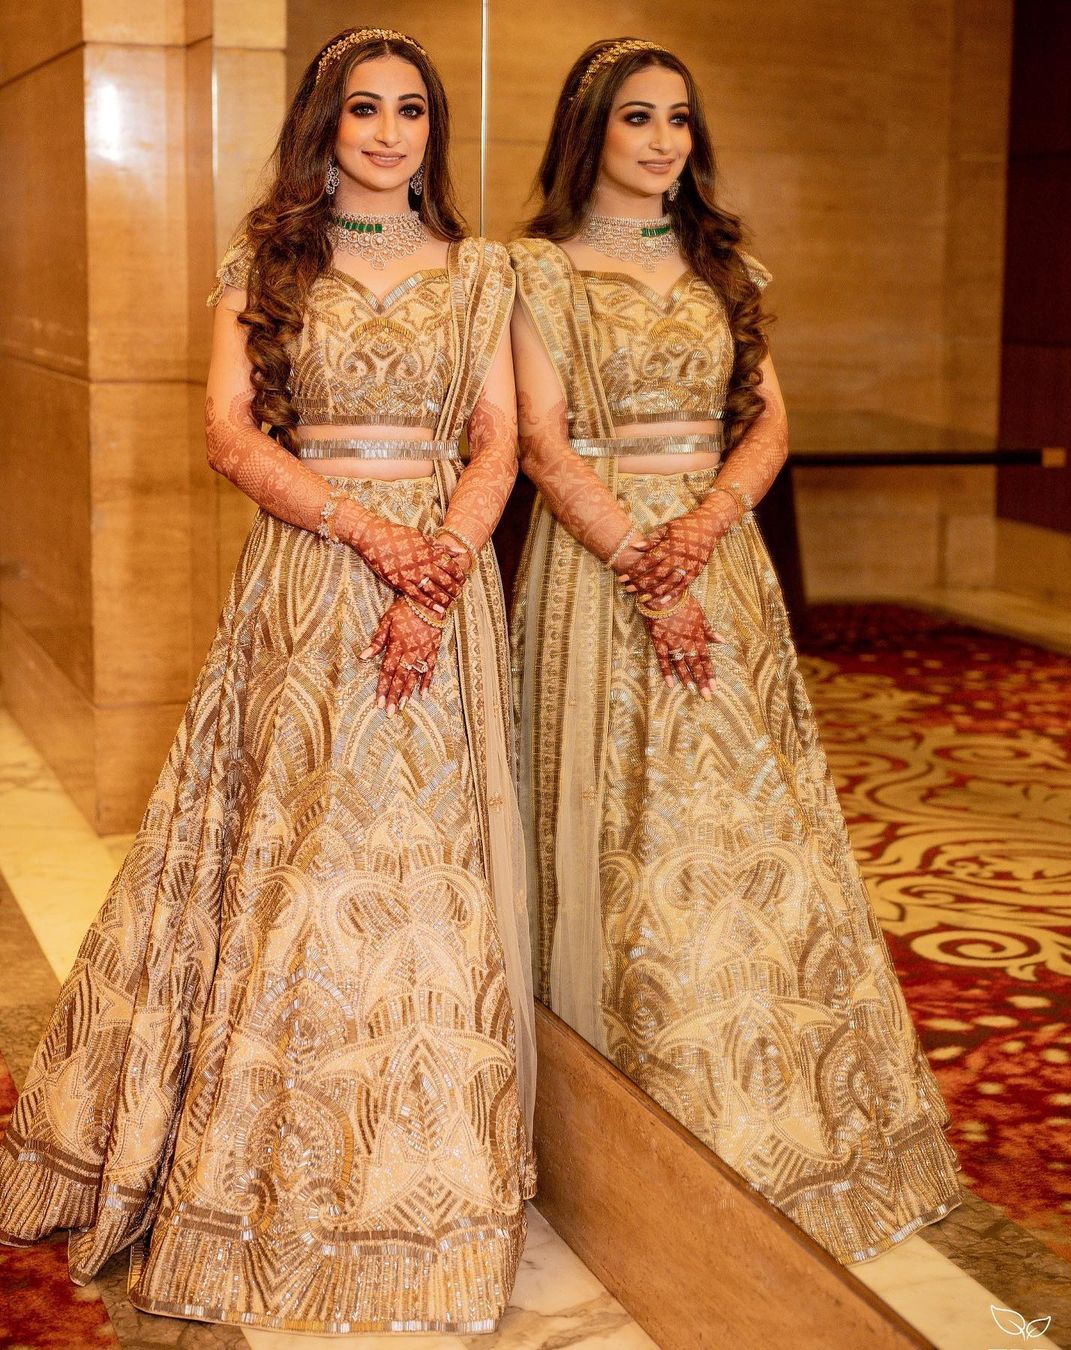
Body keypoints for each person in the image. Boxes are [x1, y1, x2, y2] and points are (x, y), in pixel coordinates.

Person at [0, 28, 535, 1334]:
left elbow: (499, 442)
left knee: (424, 864)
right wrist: (370, 538)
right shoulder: (270, 264)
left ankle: (418, 1157)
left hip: (443, 595)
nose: (391, 131)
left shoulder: (483, 275)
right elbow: (228, 435)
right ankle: (264, 1155)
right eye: (366, 107)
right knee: (301, 854)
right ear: (327, 121)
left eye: (412, 110)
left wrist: (440, 566)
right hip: (305, 581)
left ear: (433, 130)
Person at [508, 36, 962, 1265]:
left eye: (680, 122)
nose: (665, 143)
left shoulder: (721, 265)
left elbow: (768, 425)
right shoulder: (534, 274)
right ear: (590, 132)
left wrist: (701, 530)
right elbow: (544, 448)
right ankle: (609, 1113)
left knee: (743, 819)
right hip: (595, 577)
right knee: (618, 819)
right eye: (639, 120)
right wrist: (642, 561)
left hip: (723, 566)